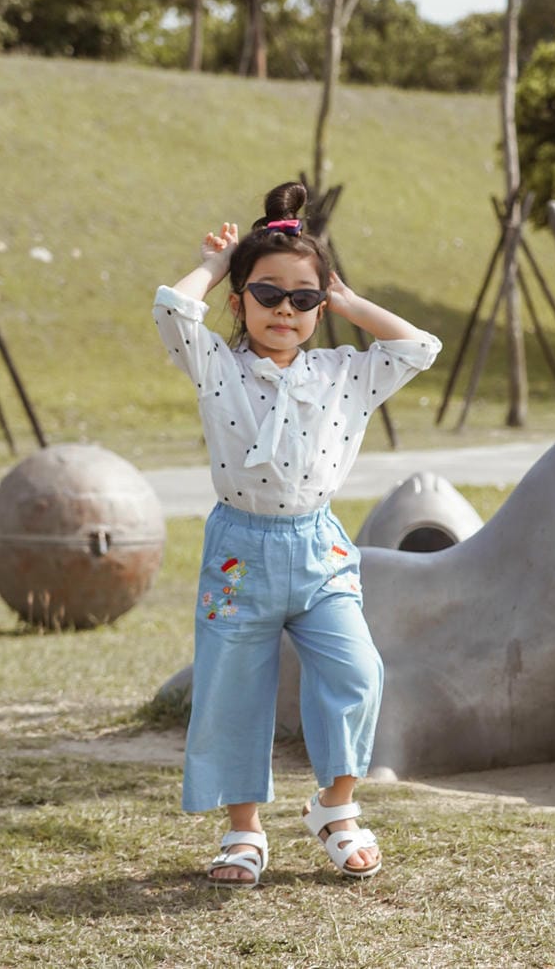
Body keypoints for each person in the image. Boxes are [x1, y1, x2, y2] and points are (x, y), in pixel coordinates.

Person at [152, 180, 441, 887]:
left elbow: (420, 346)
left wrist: (346, 300)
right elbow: (172, 309)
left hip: (319, 549)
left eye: (303, 298)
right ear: (240, 301)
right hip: (239, 553)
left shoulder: (344, 373)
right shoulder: (216, 366)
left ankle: (336, 808)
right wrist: (215, 263)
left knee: (357, 671)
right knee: (230, 688)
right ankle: (243, 830)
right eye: (268, 293)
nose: (285, 309)